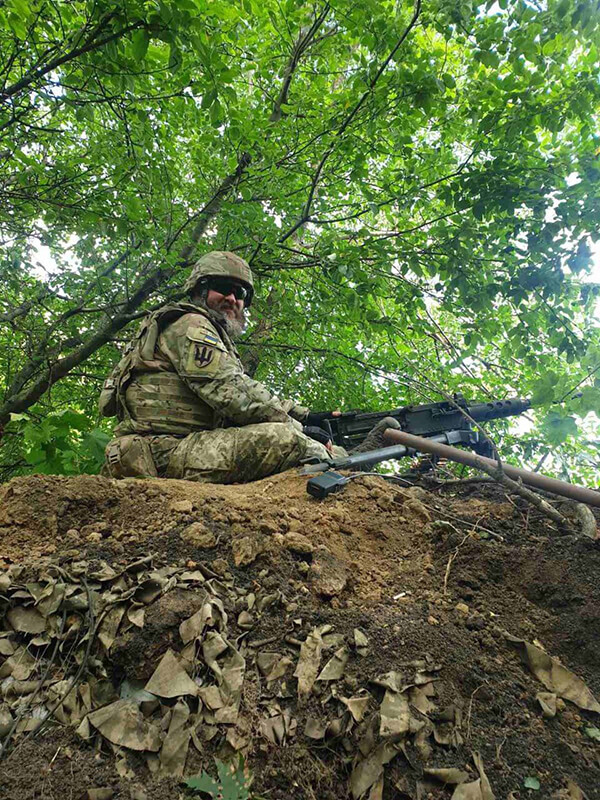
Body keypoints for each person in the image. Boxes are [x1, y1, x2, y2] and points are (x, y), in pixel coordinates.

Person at [99, 251, 397, 483]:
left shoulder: (199, 330)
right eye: (222, 288)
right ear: (199, 290)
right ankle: (351, 461)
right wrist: (301, 428)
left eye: (240, 294)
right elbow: (231, 393)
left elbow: (239, 386)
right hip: (162, 453)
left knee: (283, 431)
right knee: (284, 439)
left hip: (168, 449)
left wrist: (303, 414)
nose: (231, 298)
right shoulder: (191, 324)